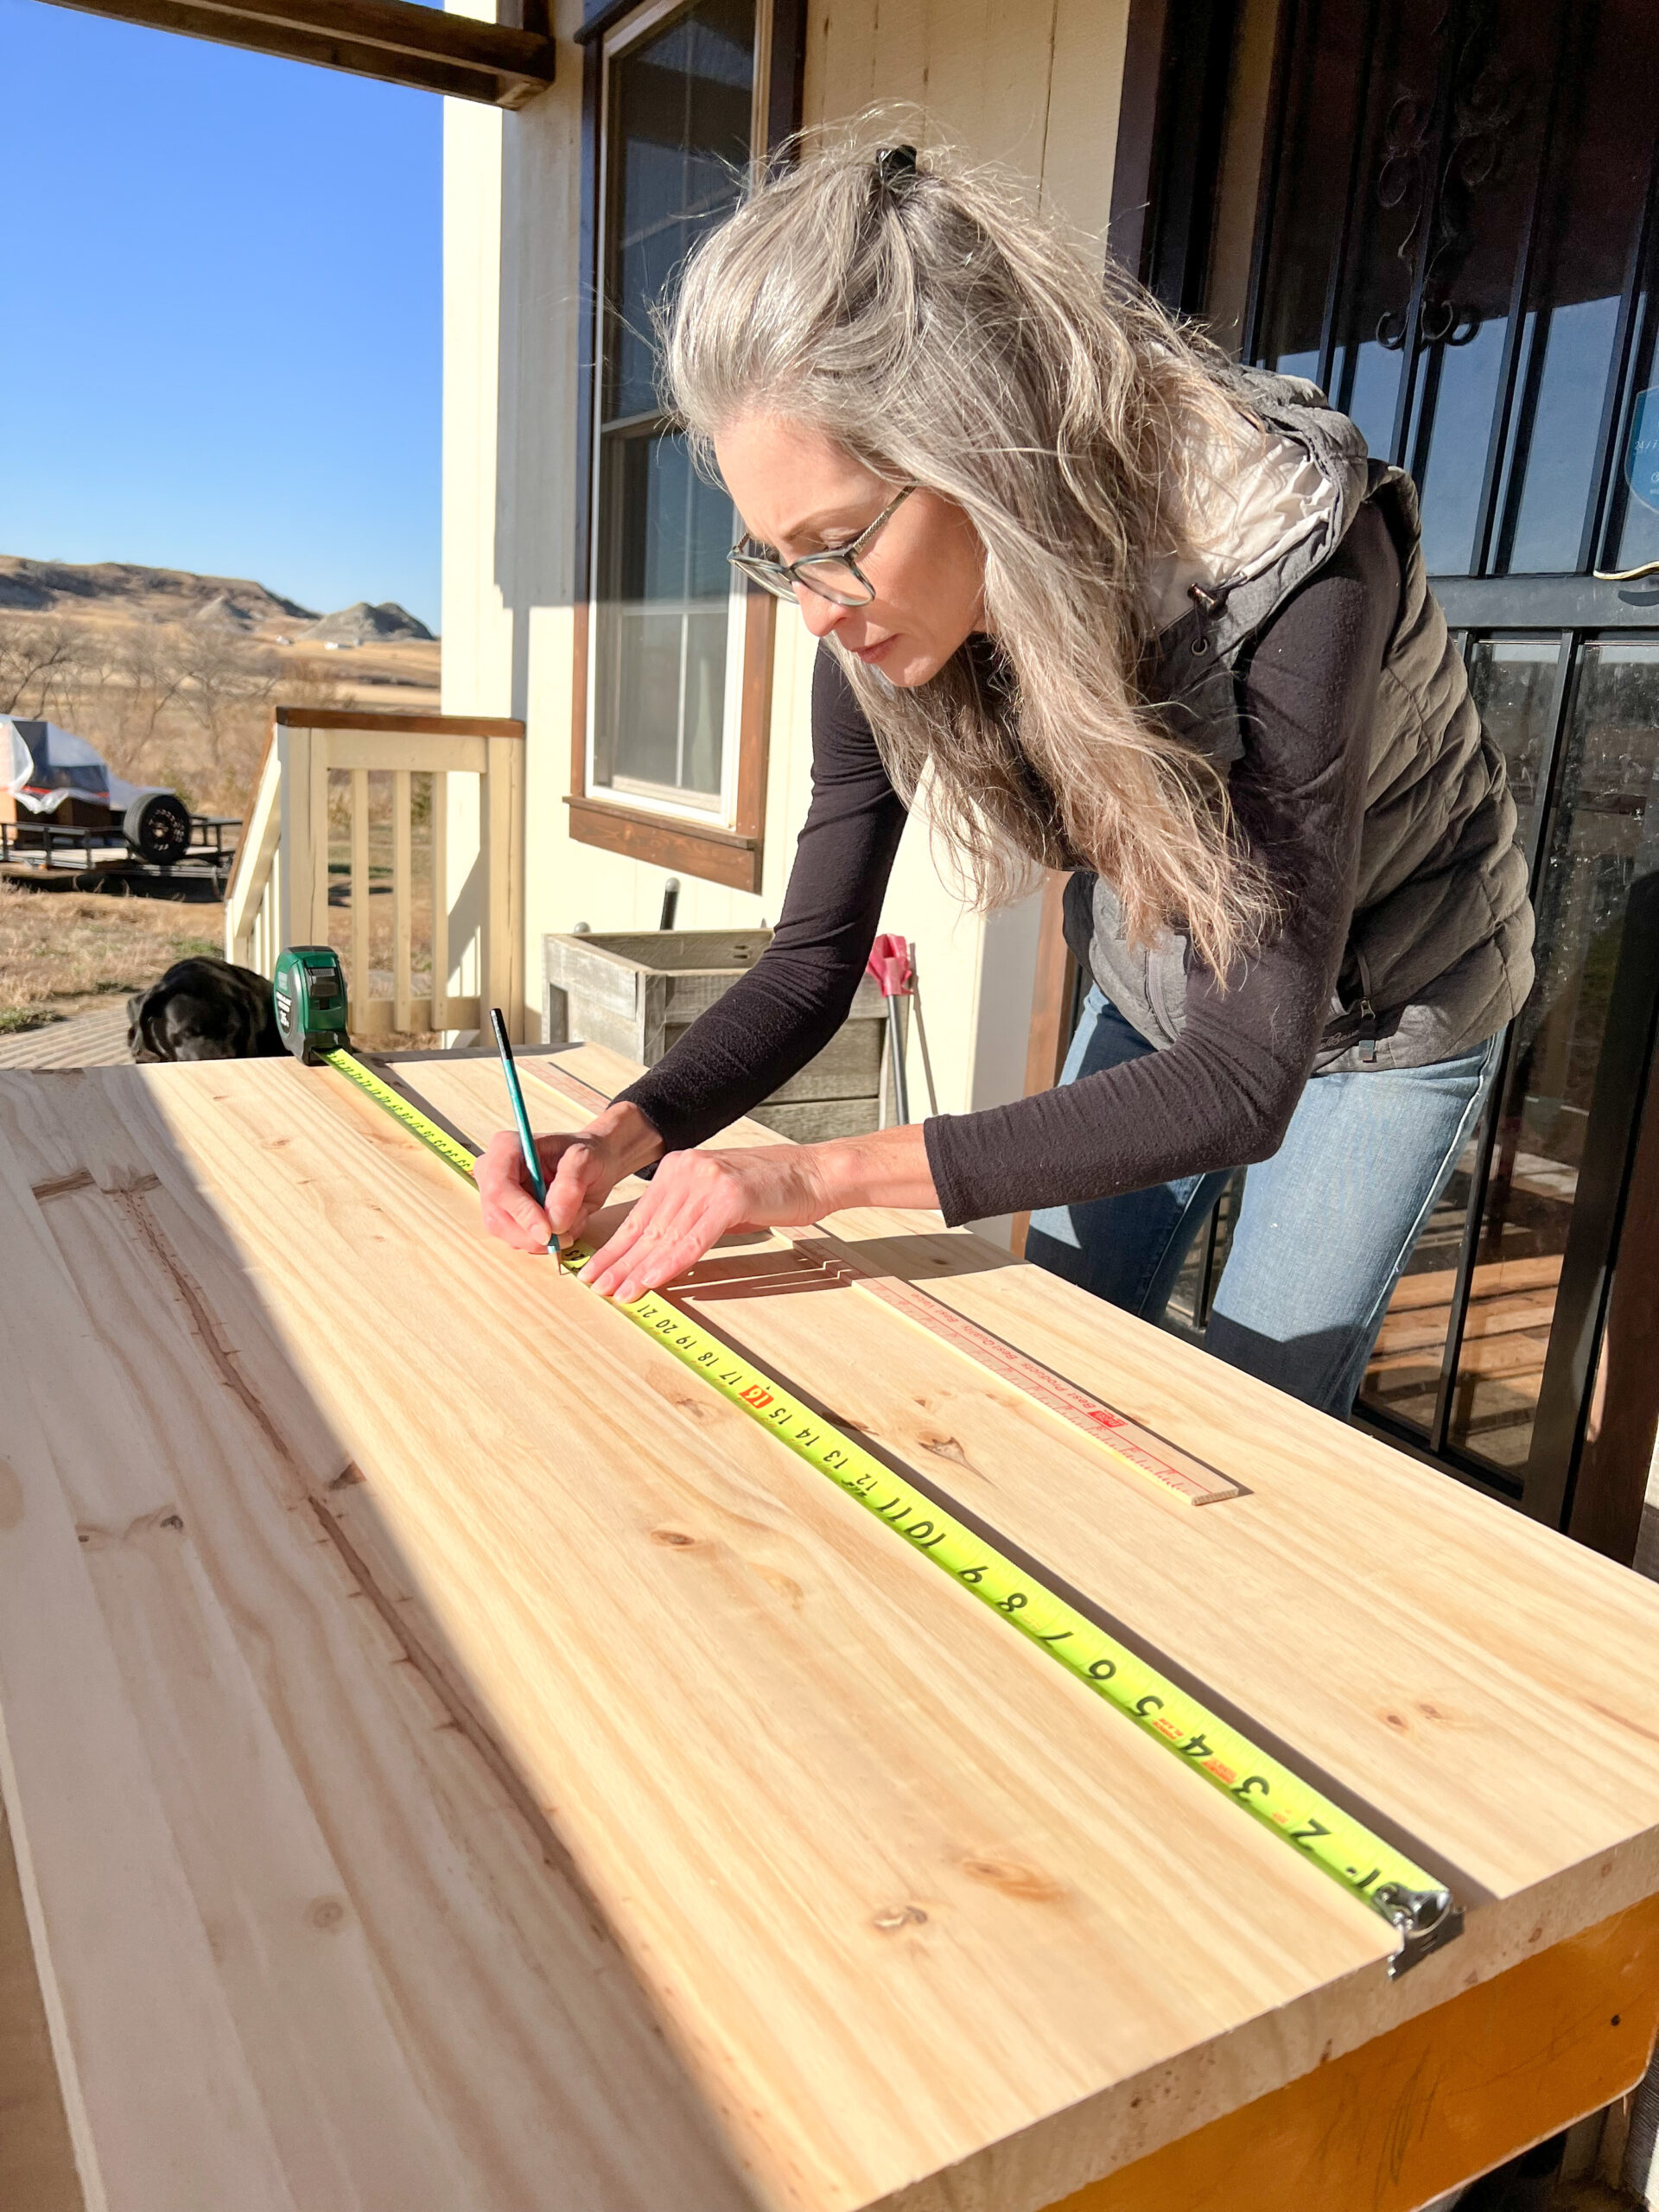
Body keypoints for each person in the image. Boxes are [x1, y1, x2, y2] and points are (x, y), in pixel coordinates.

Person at [477, 136, 1534, 1421]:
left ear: (979, 453)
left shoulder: (1292, 556)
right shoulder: (868, 613)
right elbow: (815, 964)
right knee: (1066, 1348)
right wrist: (630, 1129)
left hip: (1388, 1003)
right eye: (775, 557)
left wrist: (812, 1179)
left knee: (1261, 1400)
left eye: (832, 542)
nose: (812, 608)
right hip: (1163, 974)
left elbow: (1246, 1077)